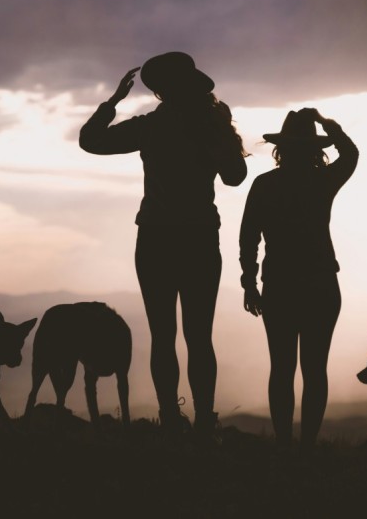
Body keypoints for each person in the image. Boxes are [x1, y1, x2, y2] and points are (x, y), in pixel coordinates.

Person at [79, 52, 248, 442]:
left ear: (160, 92)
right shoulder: (211, 125)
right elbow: (235, 177)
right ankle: (204, 421)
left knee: (163, 335)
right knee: (199, 337)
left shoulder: (149, 127)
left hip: (155, 238)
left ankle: (171, 418)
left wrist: (113, 102)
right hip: (199, 239)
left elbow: (91, 141)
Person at [239, 108, 358, 453]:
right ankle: (306, 447)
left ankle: (282, 445)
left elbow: (249, 238)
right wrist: (326, 123)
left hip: (279, 285)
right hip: (321, 283)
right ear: (314, 149)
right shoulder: (323, 181)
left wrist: (249, 283)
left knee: (282, 368)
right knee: (315, 370)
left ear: (283, 147)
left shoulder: (265, 185)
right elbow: (351, 153)